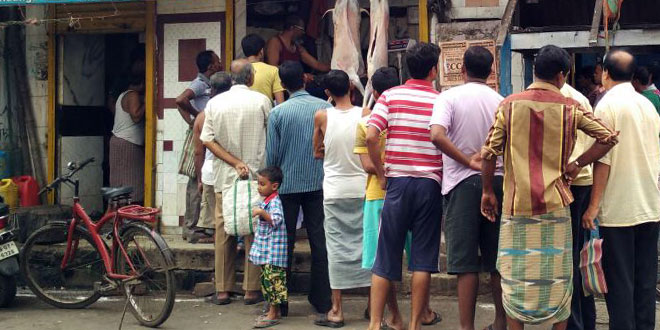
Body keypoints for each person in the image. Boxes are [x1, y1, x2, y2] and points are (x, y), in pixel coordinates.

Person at [480, 45, 617, 330]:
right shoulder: (572, 107)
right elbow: (608, 138)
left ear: (534, 72)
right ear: (562, 76)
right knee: (559, 280)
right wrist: (577, 163)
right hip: (556, 207)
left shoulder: (509, 105)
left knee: (515, 278)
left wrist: (488, 192)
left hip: (516, 208)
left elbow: (489, 152)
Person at [366, 42, 444, 330]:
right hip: (429, 185)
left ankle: (375, 324)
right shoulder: (440, 100)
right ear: (433, 70)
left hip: (397, 183)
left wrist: (382, 172)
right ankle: (413, 325)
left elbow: (372, 136)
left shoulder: (389, 95)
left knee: (385, 256)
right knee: (422, 260)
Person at [429, 46, 506, 330]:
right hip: (497, 182)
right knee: (498, 258)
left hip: (461, 184)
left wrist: (467, 162)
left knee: (465, 263)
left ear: (462, 69)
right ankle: (500, 322)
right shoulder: (501, 100)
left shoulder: (448, 97)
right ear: (491, 71)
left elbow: (436, 135)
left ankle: (467, 327)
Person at [582, 50, 660, 330]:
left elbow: (603, 159)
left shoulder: (606, 106)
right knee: (645, 281)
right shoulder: (647, 105)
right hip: (650, 205)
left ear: (605, 72)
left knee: (620, 282)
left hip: (619, 210)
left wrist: (593, 206)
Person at [200, 59, 272, 305]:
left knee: (224, 230)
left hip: (226, 176)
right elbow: (270, 136)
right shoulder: (262, 101)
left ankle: (222, 289)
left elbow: (207, 140)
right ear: (251, 78)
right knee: (253, 227)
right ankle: (252, 289)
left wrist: (233, 161)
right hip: (257, 176)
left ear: (233, 78)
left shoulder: (215, 103)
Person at [266, 61, 332, 317]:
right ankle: (322, 299)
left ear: (282, 84)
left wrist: (269, 187)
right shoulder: (325, 107)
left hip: (286, 185)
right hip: (319, 182)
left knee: (283, 243)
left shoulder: (278, 113)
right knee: (319, 240)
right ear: (304, 79)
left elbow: (272, 155)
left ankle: (280, 303)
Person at [312, 70, 369, 328]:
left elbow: (316, 151)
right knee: (367, 247)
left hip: (334, 191)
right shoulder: (365, 114)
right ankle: (372, 304)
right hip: (362, 189)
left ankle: (337, 309)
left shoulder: (322, 116)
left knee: (335, 249)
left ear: (327, 93)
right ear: (350, 87)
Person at [353, 66, 407, 330]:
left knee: (382, 260)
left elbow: (367, 165)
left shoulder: (366, 122)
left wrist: (385, 171)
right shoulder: (406, 118)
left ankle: (392, 315)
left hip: (378, 193)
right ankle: (420, 312)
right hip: (407, 191)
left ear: (374, 92)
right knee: (415, 258)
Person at [559, 81, 598, 330]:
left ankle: (573, 322)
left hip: (568, 183)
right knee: (578, 255)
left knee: (567, 258)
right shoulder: (579, 98)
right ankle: (586, 320)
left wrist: (576, 164)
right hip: (583, 181)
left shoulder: (557, 98)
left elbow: (605, 138)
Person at [176, 50, 222, 241]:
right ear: (211, 66)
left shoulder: (207, 84)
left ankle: (196, 227)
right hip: (201, 135)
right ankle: (191, 228)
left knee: (201, 181)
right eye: (217, 61)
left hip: (203, 133)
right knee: (197, 180)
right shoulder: (200, 83)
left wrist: (193, 119)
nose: (220, 63)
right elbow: (180, 100)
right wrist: (196, 116)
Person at [191, 72, 233, 244]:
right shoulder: (235, 110)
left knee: (216, 222)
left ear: (212, 90)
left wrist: (199, 179)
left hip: (211, 171)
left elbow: (198, 152)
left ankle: (221, 258)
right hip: (234, 169)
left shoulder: (203, 116)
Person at [249, 166, 288, 329]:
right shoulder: (266, 200)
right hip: (267, 253)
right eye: (258, 183)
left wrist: (261, 213)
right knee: (267, 281)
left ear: (274, 186)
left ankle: (273, 313)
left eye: (262, 184)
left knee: (273, 282)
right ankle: (274, 311)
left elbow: (276, 220)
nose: (259, 187)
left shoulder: (275, 202)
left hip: (274, 253)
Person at [110, 75, 145, 202]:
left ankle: (118, 212)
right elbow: (136, 116)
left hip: (120, 141)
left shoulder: (123, 95)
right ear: (140, 83)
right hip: (128, 143)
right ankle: (129, 213)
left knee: (119, 180)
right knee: (132, 179)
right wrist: (147, 103)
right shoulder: (132, 95)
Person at [265, 15, 330, 73]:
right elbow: (273, 68)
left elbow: (317, 65)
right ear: (292, 27)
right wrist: (301, 76)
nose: (302, 33)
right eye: (301, 29)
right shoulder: (275, 42)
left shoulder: (298, 48)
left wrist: (334, 67)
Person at [241, 34, 286, 104]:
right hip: (266, 113)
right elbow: (280, 103)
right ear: (261, 51)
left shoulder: (238, 70)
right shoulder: (273, 70)